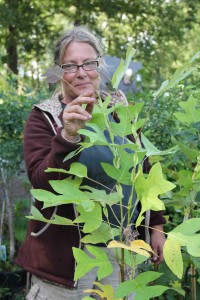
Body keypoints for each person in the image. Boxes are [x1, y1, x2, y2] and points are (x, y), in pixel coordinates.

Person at [16, 25, 166, 300]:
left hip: (123, 253)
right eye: (71, 65)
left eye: (89, 63)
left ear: (101, 65)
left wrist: (156, 225)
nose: (82, 72)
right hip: (69, 265)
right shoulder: (45, 118)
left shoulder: (120, 111)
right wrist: (67, 136)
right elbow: (41, 183)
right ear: (58, 71)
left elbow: (143, 173)